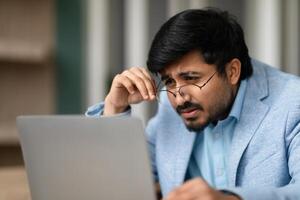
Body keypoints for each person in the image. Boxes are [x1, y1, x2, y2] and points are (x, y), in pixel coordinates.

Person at [86, 8, 300, 200]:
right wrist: (114, 109)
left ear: (232, 71)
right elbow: (117, 184)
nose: (179, 98)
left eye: (191, 78)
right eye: (169, 81)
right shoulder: (173, 108)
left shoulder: (292, 101)